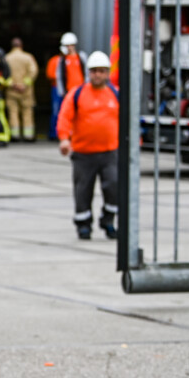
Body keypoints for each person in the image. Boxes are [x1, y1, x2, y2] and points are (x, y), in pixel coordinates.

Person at [57, 52, 120, 240]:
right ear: (88, 73)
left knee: (114, 187)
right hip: (83, 154)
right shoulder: (77, 94)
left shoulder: (115, 94)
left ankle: (108, 221)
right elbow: (64, 117)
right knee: (82, 190)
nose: (97, 75)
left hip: (109, 152)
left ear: (108, 73)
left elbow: (126, 119)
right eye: (94, 71)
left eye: (101, 71)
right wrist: (64, 138)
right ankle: (83, 225)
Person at [46, 32, 87, 140]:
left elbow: (86, 73)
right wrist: (62, 92)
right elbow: (58, 76)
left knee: (81, 114)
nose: (69, 47)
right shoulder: (61, 60)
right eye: (67, 45)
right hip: (67, 92)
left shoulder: (81, 57)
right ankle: (58, 134)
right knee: (63, 113)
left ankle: (79, 133)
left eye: (71, 45)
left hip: (80, 91)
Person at [4, 37, 39, 141]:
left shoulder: (6, 58)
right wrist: (24, 84)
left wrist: (12, 85)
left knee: (13, 113)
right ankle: (28, 136)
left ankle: (15, 135)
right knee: (27, 112)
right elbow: (33, 72)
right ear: (21, 46)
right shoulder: (28, 57)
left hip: (12, 91)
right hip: (26, 91)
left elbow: (2, 74)